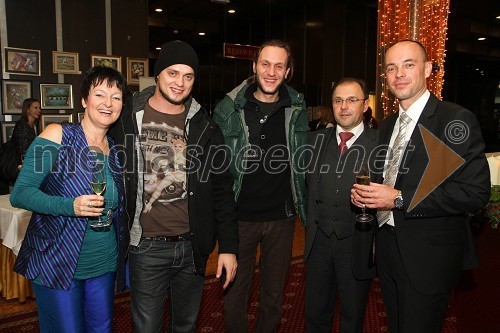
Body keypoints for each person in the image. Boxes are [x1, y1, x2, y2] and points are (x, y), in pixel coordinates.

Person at [351, 40, 490, 332]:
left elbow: (474, 192)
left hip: (428, 255)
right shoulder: (388, 125)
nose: (399, 73)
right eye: (391, 68)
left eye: (408, 65)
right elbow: (391, 180)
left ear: (427, 69)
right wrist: (370, 195)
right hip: (388, 245)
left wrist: (399, 199)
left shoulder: (454, 119)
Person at [108, 40, 238, 333]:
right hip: (146, 247)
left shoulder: (206, 127)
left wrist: (228, 247)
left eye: (188, 76)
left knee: (186, 326)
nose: (180, 83)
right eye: (172, 73)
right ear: (158, 75)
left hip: (192, 247)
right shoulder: (127, 119)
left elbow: (222, 191)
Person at [10, 66, 128, 333]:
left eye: (116, 96)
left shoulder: (118, 151)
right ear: (85, 100)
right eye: (100, 94)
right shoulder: (57, 135)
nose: (108, 103)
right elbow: (21, 193)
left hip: (104, 263)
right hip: (58, 262)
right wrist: (69, 206)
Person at [213, 39, 308, 333]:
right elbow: (217, 170)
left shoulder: (297, 107)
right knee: (234, 293)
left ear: (287, 71)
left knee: (274, 296)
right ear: (254, 67)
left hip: (282, 218)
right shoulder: (227, 108)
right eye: (265, 64)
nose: (271, 71)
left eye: (279, 66)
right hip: (240, 218)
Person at [305, 77, 377, 333]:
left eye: (351, 100)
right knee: (315, 314)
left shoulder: (381, 144)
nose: (344, 106)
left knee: (352, 317)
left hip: (356, 245)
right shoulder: (315, 140)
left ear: (365, 105)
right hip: (319, 243)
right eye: (338, 100)